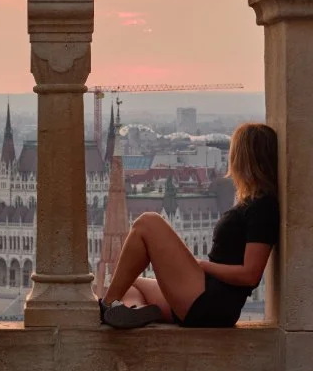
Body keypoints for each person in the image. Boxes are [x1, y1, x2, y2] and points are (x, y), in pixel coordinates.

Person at [99, 122, 279, 330]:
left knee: (148, 222)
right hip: (204, 295)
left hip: (212, 302)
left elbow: (251, 275)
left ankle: (106, 306)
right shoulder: (254, 202)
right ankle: (132, 311)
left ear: (243, 158)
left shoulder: (263, 206)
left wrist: (203, 265)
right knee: (131, 282)